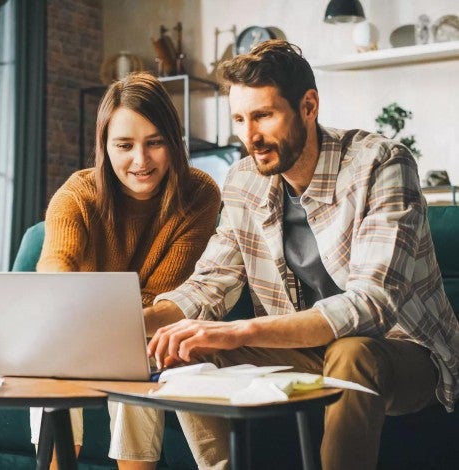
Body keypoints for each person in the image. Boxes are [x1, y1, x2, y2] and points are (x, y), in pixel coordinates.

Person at [145, 40, 459, 470]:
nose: (249, 136)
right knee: (187, 349)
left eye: (263, 116)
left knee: (352, 353)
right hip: (305, 352)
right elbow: (211, 281)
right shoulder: (242, 180)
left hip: (402, 351)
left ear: (308, 106)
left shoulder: (381, 164)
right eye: (239, 119)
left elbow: (371, 305)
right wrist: (135, 323)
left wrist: (239, 332)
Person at [29, 71, 222, 469]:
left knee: (138, 360)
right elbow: (54, 267)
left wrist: (106, 321)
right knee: (50, 365)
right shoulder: (78, 194)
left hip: (147, 328)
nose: (141, 160)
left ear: (174, 142)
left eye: (155, 143)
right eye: (124, 145)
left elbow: (164, 296)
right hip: (76, 330)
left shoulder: (199, 194)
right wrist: (66, 308)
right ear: (104, 146)